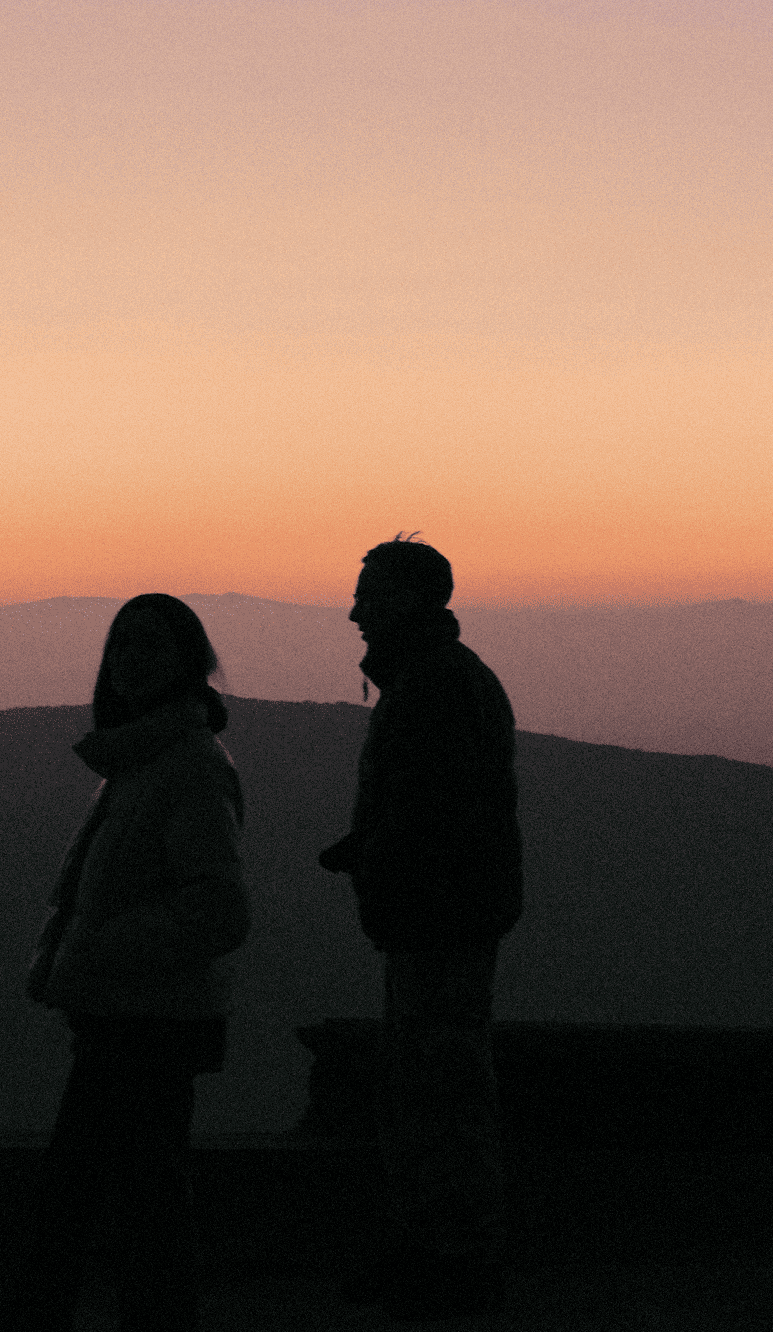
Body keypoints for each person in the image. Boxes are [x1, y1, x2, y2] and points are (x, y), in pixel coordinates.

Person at [0, 594, 249, 1332]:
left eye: (149, 644)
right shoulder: (143, 763)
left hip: (149, 1022)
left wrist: (101, 949)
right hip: (125, 1016)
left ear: (188, 663)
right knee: (123, 1194)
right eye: (120, 644)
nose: (130, 659)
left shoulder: (187, 768)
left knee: (105, 1193)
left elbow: (220, 910)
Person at [318, 536, 520, 1321]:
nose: (354, 612)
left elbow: (435, 816)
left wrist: (376, 856)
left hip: (437, 921)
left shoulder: (432, 686)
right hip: (441, 916)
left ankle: (452, 1257)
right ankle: (440, 1250)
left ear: (407, 600)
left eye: (368, 594)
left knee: (436, 1091)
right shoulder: (443, 679)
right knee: (433, 1087)